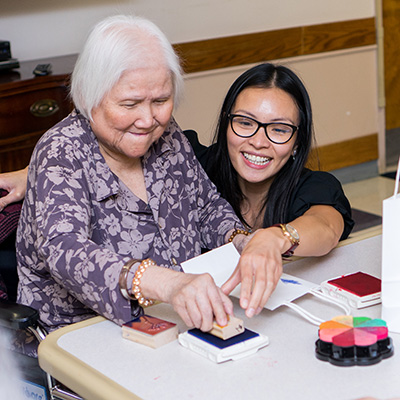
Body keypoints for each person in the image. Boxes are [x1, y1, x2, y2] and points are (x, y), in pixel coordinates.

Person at [10, 15, 273, 356]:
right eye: (130, 104)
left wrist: (245, 242)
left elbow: (206, 207)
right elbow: (65, 250)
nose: (149, 120)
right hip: (85, 338)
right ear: (90, 98)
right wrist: (168, 283)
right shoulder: (61, 150)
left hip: (177, 325)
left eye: (161, 101)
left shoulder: (166, 136)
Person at [185, 63, 353, 312]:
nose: (258, 142)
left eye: (279, 129)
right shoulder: (193, 166)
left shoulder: (312, 186)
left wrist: (275, 238)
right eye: (244, 123)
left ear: (298, 141)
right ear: (225, 125)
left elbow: (327, 227)